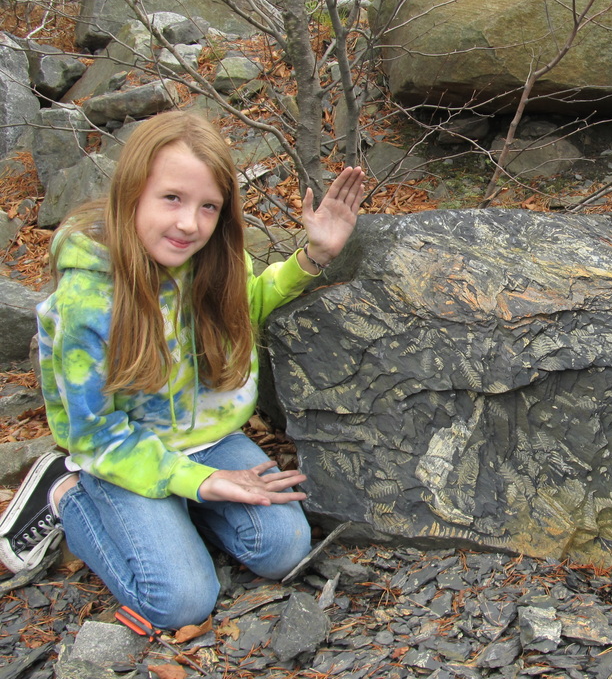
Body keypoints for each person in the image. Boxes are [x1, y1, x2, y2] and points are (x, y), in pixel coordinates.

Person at [0, 110, 366, 629]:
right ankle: (66, 498)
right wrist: (205, 484)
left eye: (208, 207)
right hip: (121, 450)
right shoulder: (87, 297)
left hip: (205, 437)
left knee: (283, 548)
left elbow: (247, 307)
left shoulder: (212, 258)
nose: (189, 223)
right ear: (132, 191)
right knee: (180, 603)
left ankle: (174, 512)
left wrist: (314, 257)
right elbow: (95, 432)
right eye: (171, 198)